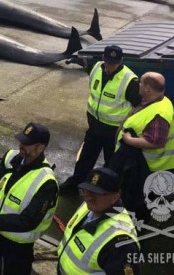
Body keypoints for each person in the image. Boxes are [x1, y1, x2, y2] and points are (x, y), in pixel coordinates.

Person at [0, 122, 59, 275]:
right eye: (22, 140)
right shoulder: (11, 157)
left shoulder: (47, 183)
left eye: (27, 144)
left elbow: (29, 220)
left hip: (18, 244)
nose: (21, 145)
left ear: (41, 148)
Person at [60, 45, 140, 194]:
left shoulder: (130, 80)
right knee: (85, 158)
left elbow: (139, 106)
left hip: (113, 131)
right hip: (95, 126)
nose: (110, 66)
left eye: (113, 63)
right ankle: (75, 183)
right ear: (103, 58)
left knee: (111, 164)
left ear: (121, 61)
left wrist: (127, 126)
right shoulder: (96, 68)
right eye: (108, 62)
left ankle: (104, 192)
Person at [109, 71, 174, 218]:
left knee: (136, 205)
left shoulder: (159, 112)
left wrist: (128, 140)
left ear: (147, 88)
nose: (138, 85)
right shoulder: (155, 100)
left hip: (147, 169)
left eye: (141, 82)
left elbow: (156, 141)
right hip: (140, 166)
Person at [57, 167, 140, 274]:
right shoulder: (89, 206)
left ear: (114, 197)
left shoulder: (121, 244)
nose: (88, 198)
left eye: (96, 194)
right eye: (87, 191)